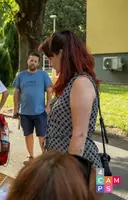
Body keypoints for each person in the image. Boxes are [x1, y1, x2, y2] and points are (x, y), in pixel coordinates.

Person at [39, 30, 102, 168]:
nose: (50, 64)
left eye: (51, 57)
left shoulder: (81, 82)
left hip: (82, 169)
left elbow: (79, 135)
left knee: (102, 188)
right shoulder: (72, 82)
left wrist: (69, 175)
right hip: (69, 167)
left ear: (61, 53)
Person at [6, 151, 101, 200]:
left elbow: (79, 134)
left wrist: (71, 164)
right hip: (78, 164)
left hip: (76, 162)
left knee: (103, 184)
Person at [13, 52, 52, 164]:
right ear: (28, 61)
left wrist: (48, 106)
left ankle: (45, 157)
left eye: (35, 61)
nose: (33, 62)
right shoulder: (20, 75)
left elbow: (49, 90)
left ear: (38, 63)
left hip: (40, 112)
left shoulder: (43, 75)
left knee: (42, 135)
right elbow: (16, 92)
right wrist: (16, 108)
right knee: (28, 135)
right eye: (31, 60)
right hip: (25, 112)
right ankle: (31, 156)